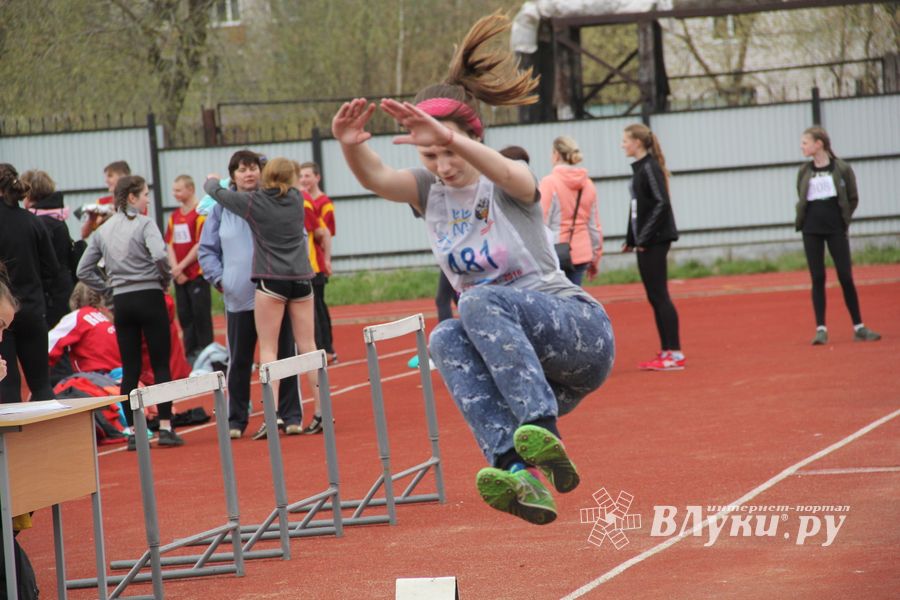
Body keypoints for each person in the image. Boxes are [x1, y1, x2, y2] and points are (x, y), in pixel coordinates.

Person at [332, 13, 615, 526]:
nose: (443, 164)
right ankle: (517, 470)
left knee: (477, 299)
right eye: (430, 154)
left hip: (580, 334)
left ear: (470, 136)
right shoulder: (429, 193)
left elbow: (507, 172)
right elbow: (376, 177)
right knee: (444, 336)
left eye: (449, 149)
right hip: (537, 374)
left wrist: (452, 137)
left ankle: (542, 431)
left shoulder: (507, 180)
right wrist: (351, 146)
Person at [204, 158, 323, 436]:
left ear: (264, 176)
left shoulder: (254, 202)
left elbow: (218, 193)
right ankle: (321, 412)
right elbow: (279, 174)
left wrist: (212, 179)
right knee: (309, 347)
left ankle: (272, 417)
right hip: (302, 280)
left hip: (272, 282)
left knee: (268, 351)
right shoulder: (297, 197)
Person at [77, 175, 185, 449]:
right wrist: (163, 280)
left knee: (130, 367)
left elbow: (83, 270)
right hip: (150, 296)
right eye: (146, 194)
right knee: (161, 364)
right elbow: (160, 256)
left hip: (122, 301)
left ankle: (134, 432)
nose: (149, 199)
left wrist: (108, 288)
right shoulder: (145, 223)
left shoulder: (104, 230)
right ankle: (165, 427)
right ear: (133, 197)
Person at [796, 126, 881, 345]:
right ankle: (821, 329)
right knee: (817, 278)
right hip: (811, 231)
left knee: (845, 276)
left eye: (805, 142)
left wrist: (843, 220)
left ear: (819, 144)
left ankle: (859, 327)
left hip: (836, 229)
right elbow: (802, 197)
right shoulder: (804, 171)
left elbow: (853, 198)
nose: (802, 146)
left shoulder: (842, 168)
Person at [620, 123, 685, 372]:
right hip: (647, 241)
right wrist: (631, 238)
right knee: (654, 296)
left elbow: (661, 204)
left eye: (625, 140)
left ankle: (675, 353)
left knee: (660, 295)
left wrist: (644, 238)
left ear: (637, 142)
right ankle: (667, 350)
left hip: (656, 240)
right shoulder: (640, 169)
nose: (622, 144)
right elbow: (637, 207)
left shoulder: (650, 168)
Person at [0, 164, 59, 403]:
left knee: (7, 383)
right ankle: (49, 439)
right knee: (41, 384)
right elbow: (52, 269)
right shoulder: (33, 222)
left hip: (3, 313)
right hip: (33, 308)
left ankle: (8, 441)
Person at [539, 136, 602, 286]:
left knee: (557, 301)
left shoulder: (549, 182)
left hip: (556, 251)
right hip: (582, 252)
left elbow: (541, 221)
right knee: (575, 298)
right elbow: (594, 225)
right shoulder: (588, 184)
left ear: (556, 154)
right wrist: (595, 256)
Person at [165, 174, 213, 363]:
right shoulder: (174, 216)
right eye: (174, 190)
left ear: (191, 189)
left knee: (201, 315)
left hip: (196, 275)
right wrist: (176, 269)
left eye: (179, 190)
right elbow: (169, 243)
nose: (175, 193)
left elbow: (199, 243)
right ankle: (191, 355)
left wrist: (183, 266)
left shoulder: (200, 214)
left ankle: (207, 354)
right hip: (179, 275)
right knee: (185, 316)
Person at [21, 169, 76, 328]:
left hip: (48, 295)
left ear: (29, 194)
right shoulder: (58, 218)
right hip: (64, 288)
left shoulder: (37, 223)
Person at [298, 161, 339, 365]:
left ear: (317, 177)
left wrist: (327, 259)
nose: (304, 180)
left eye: (307, 176)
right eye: (301, 176)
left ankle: (326, 348)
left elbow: (325, 233)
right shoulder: (306, 200)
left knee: (318, 307)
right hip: (312, 262)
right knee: (317, 307)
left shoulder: (321, 203)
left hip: (315, 264)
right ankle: (325, 348)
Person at [80, 160, 130, 240]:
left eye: (110, 176)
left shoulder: (135, 201)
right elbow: (84, 234)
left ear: (123, 178)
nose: (106, 180)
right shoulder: (101, 203)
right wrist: (91, 218)